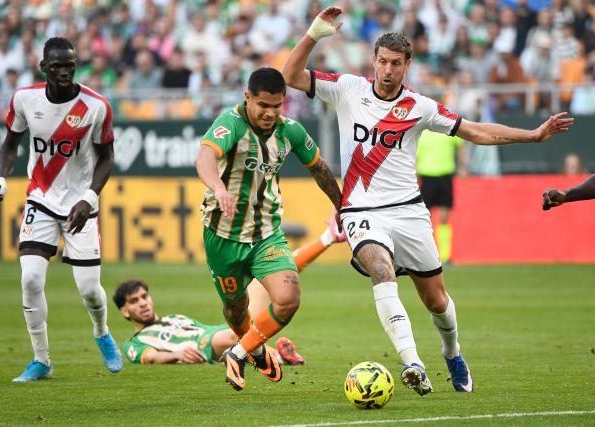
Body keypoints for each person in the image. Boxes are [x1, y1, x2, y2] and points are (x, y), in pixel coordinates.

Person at [282, 7, 573, 396]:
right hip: (361, 211)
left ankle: (451, 352)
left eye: (396, 64)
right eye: (382, 62)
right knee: (381, 271)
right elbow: (288, 77)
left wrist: (532, 136)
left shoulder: (420, 107)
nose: (388, 70)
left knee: (436, 300)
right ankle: (412, 363)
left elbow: (476, 131)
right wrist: (314, 35)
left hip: (409, 211)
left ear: (407, 66)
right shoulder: (347, 88)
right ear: (374, 62)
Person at [194, 67, 342, 391]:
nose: (270, 113)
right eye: (263, 105)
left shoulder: (291, 132)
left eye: (277, 106)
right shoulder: (230, 124)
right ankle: (255, 348)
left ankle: (238, 352)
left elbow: (319, 167)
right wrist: (219, 189)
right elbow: (204, 157)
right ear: (248, 98)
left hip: (266, 234)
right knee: (235, 308)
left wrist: (342, 205)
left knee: (288, 298)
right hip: (223, 237)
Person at [0, 37, 123, 383]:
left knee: (90, 289)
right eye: (58, 65)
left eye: (70, 64)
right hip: (40, 199)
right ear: (44, 67)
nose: (65, 70)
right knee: (30, 278)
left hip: (81, 206)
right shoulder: (24, 99)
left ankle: (101, 332)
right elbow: (9, 144)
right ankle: (41, 360)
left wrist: (90, 199)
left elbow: (107, 158)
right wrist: (1, 178)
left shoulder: (95, 106)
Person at [114, 221, 346, 365]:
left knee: (279, 270)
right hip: (207, 343)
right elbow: (150, 358)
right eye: (134, 301)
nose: (143, 303)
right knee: (235, 338)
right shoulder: (135, 342)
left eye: (144, 296)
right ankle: (278, 357)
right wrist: (176, 355)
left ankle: (327, 238)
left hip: (225, 329)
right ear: (125, 311)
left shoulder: (173, 318)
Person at [416, 130, 467, 265]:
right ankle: (424, 256)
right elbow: (414, 155)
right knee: (424, 218)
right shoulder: (422, 130)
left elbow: (461, 146)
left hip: (445, 176)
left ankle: (445, 256)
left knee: (444, 218)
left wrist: (463, 166)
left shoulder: (448, 127)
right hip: (426, 176)